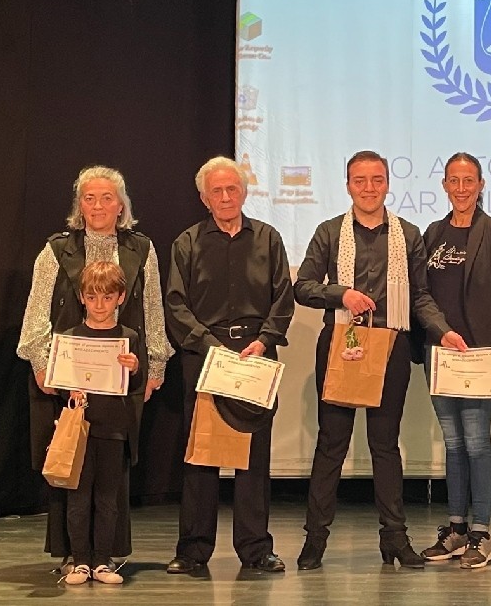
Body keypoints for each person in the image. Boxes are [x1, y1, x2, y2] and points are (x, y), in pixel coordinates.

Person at [293, 150, 468, 571]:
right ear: (348, 185)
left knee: (384, 446)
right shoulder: (329, 232)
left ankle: (395, 538)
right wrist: (341, 295)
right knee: (331, 445)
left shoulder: (407, 234)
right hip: (341, 344)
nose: (368, 187)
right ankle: (314, 541)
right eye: (360, 180)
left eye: (376, 179)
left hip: (390, 347)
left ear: (387, 183)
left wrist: (442, 330)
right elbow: (303, 286)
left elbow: (421, 294)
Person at [17, 165, 174, 573]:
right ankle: (74, 554)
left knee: (111, 471)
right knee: (70, 466)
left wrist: (154, 363)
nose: (98, 205)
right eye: (90, 198)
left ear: (121, 205)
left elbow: (153, 307)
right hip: (67, 380)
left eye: (107, 198)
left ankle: (105, 554)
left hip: (123, 375)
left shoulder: (142, 248)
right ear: (79, 205)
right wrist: (42, 363)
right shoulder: (56, 249)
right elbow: (37, 311)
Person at [164, 157, 294, 574]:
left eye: (231, 189)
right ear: (204, 198)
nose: (225, 197)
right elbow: (175, 304)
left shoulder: (269, 238)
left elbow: (283, 298)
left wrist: (264, 340)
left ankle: (256, 549)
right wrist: (209, 345)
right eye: (216, 191)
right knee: (201, 455)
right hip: (205, 358)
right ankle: (192, 550)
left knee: (254, 458)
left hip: (255, 353)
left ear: (243, 192)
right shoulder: (186, 243)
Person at [416, 153, 491, 569]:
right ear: (444, 185)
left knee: (477, 442)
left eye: (469, 181)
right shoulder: (433, 233)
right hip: (440, 352)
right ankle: (456, 529)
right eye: (454, 181)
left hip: (481, 353)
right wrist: (442, 333)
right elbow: (421, 294)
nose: (461, 189)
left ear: (481, 185)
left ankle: (481, 531)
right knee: (454, 442)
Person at [59, 261, 142, 585]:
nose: (99, 305)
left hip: (114, 429)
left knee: (108, 500)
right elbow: (59, 384)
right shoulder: (71, 338)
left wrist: (133, 368)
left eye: (107, 298)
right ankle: (80, 561)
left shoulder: (128, 337)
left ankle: (102, 562)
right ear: (82, 297)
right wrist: (70, 387)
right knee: (78, 499)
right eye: (92, 297)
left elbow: (138, 385)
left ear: (120, 298)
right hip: (80, 430)